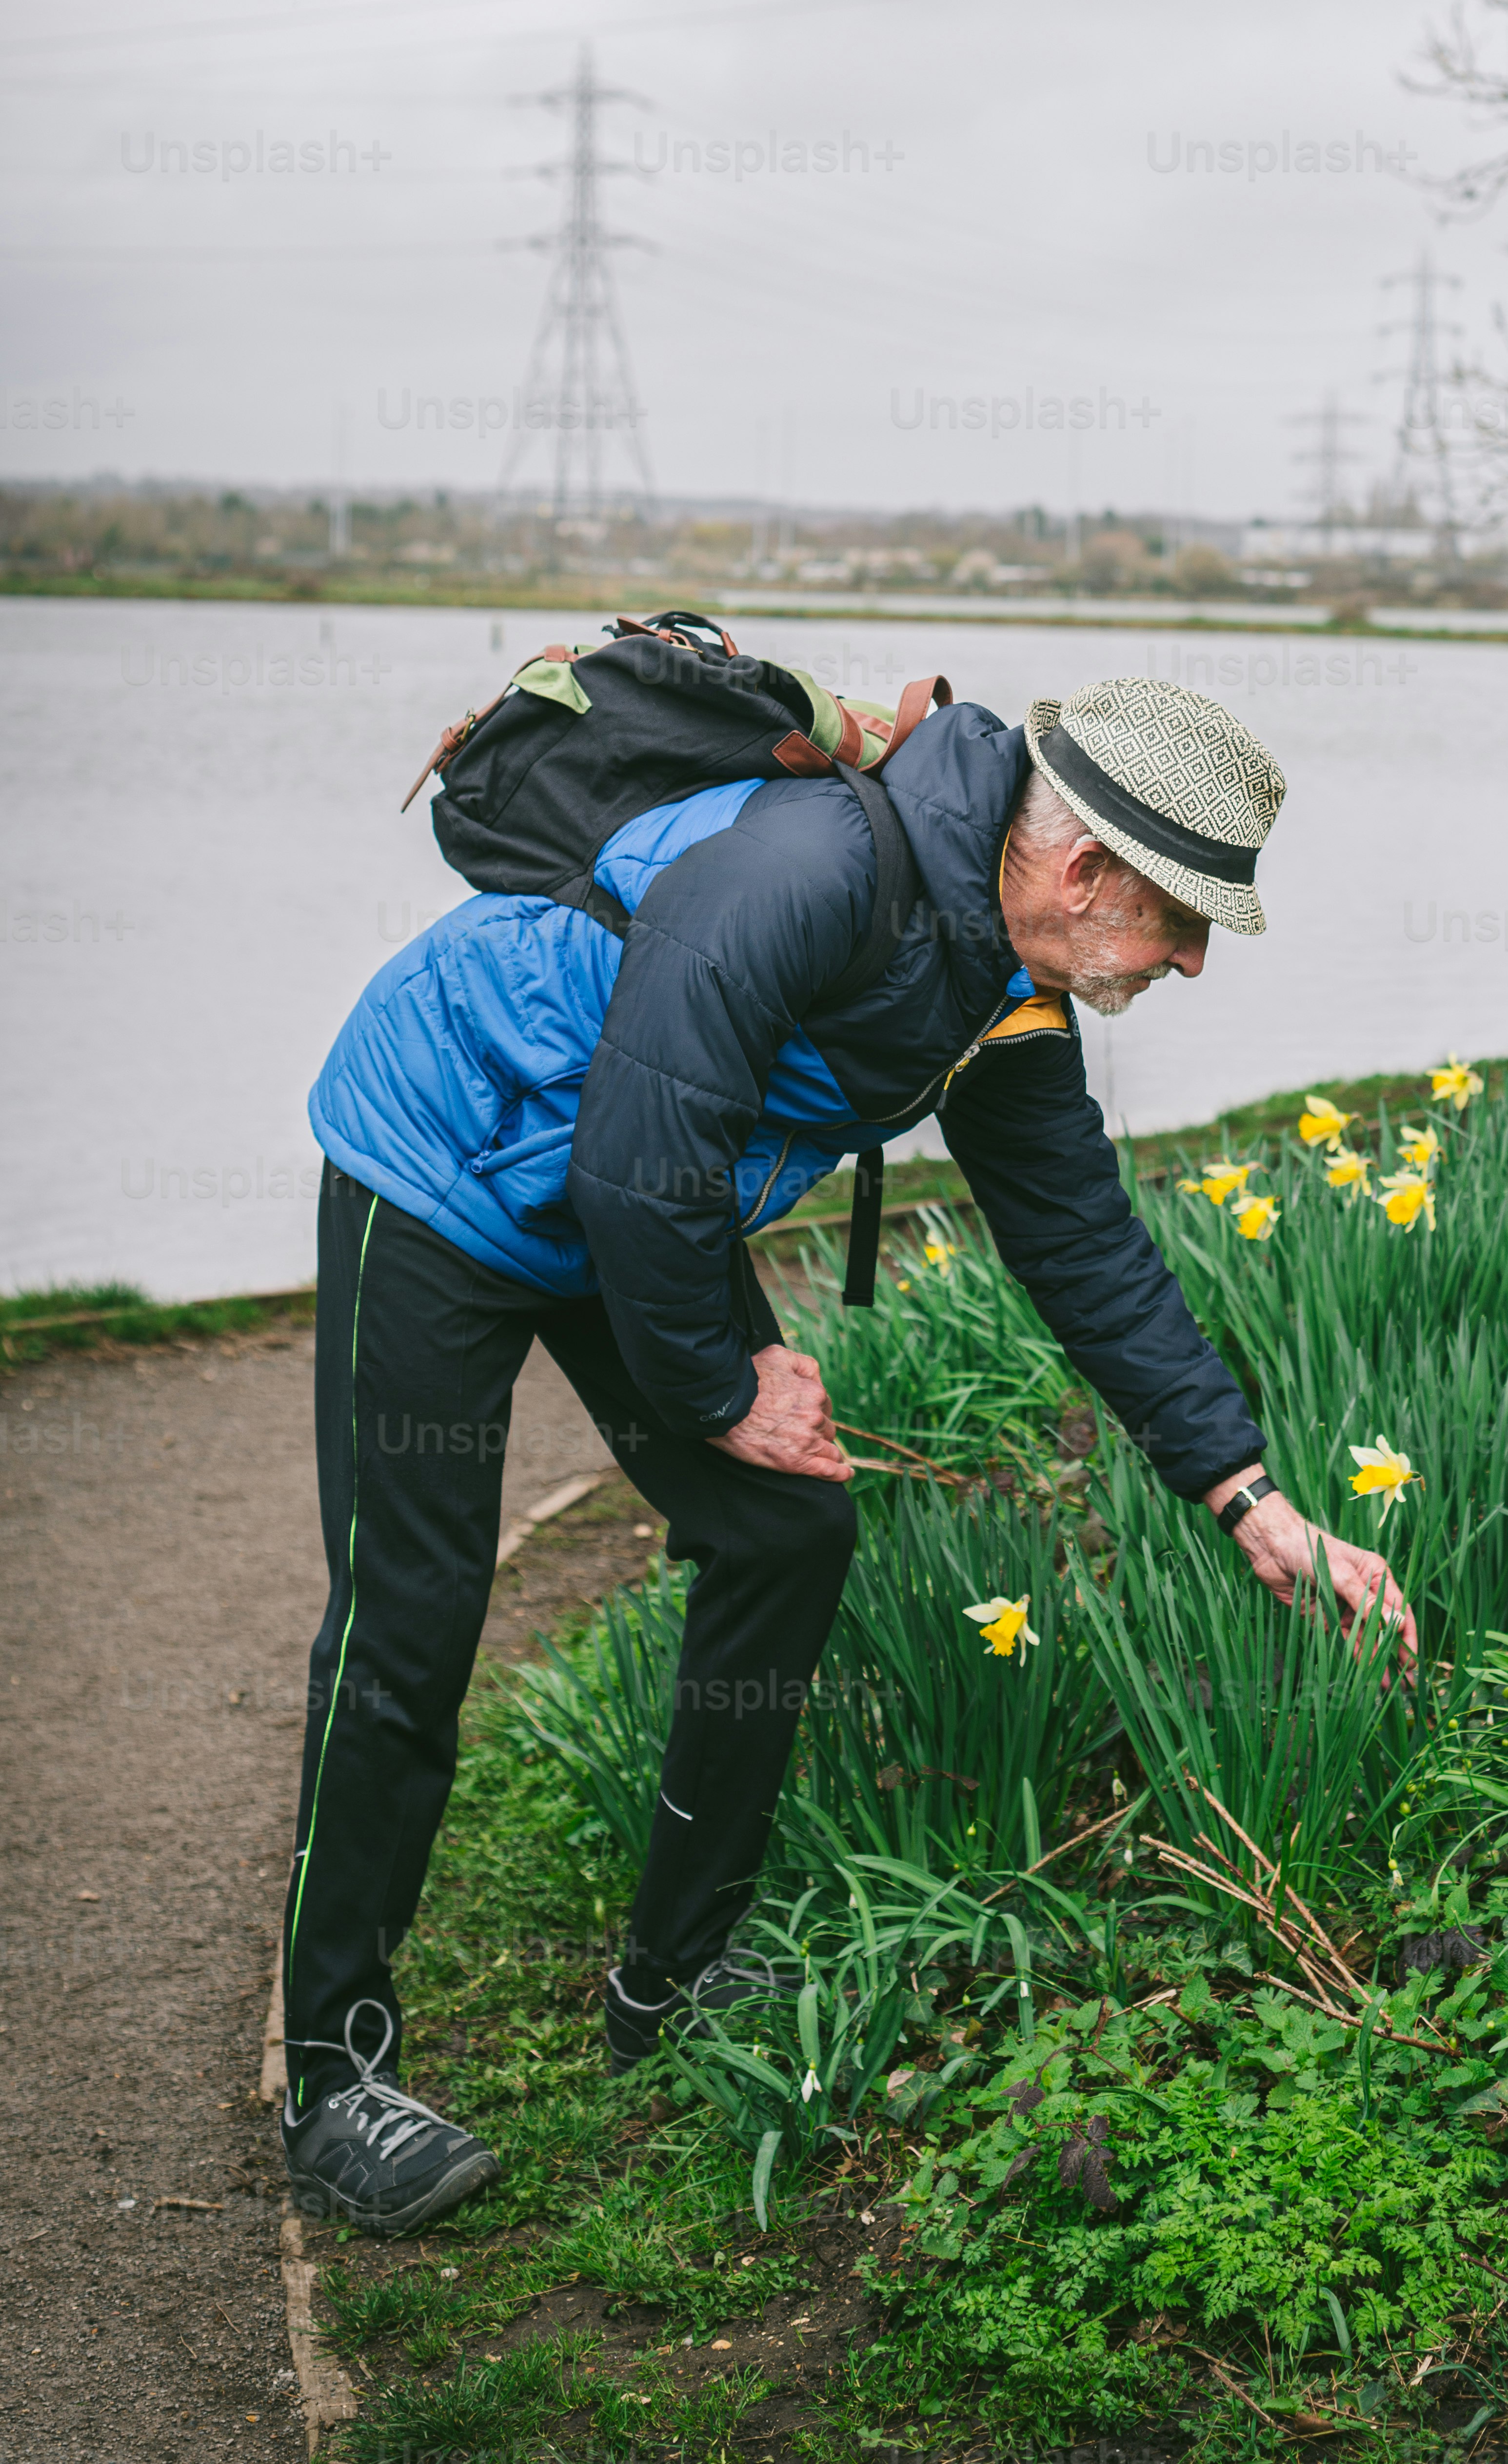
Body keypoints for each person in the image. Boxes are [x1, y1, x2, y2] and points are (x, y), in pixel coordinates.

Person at [278, 669, 1414, 2230]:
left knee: (785, 1532)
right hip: (450, 1153)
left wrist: (1254, 1500)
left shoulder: (1006, 987)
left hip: (631, 1202)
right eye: (1185, 917)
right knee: (413, 1612)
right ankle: (337, 2068)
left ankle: (673, 1974)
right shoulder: (808, 872)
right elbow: (639, 1146)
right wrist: (724, 1388)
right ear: (1084, 871)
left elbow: (1083, 1245)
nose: (1195, 960)